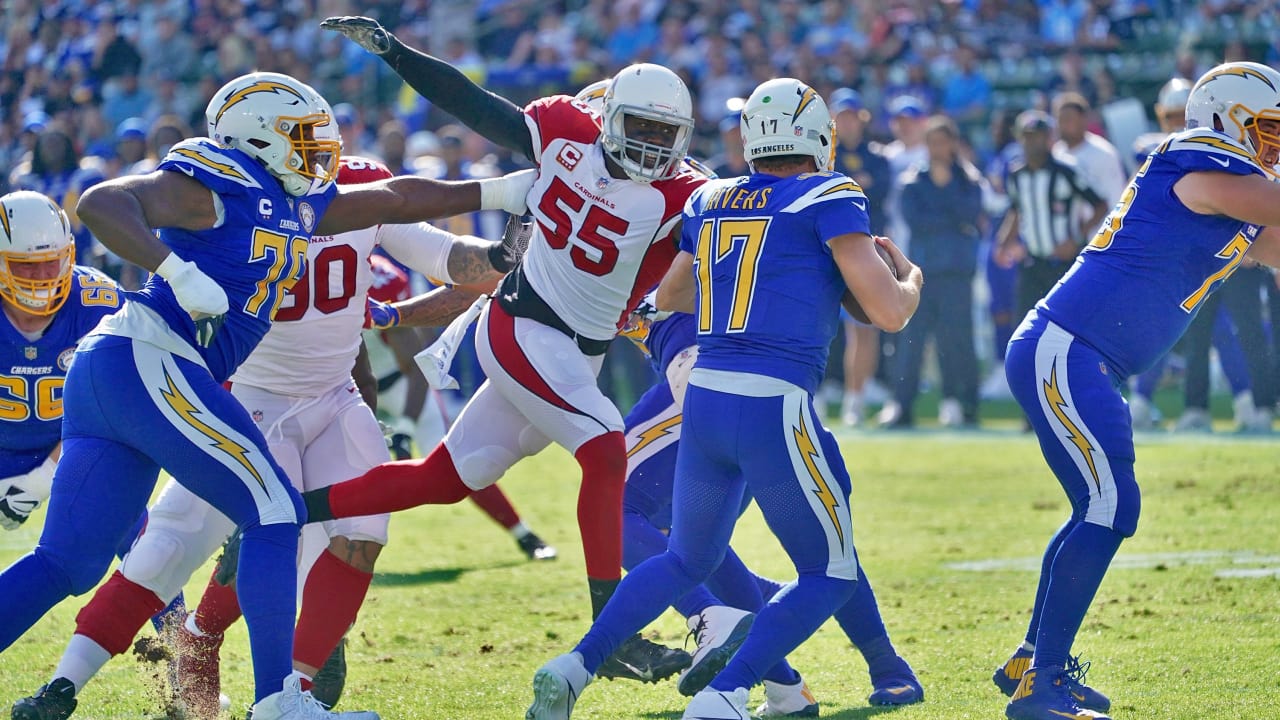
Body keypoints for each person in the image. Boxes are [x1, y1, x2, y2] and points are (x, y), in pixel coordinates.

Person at [0, 71, 535, 720]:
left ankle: (250, 690)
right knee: (275, 512)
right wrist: (174, 272)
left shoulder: (297, 203)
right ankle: (281, 702)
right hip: (153, 360)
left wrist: (500, 190)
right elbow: (103, 202)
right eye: (303, 139)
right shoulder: (216, 182)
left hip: (115, 378)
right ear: (256, 139)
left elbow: (392, 199)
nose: (320, 152)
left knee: (67, 563)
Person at [308, 16, 707, 681]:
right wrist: (393, 51)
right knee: (607, 448)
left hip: (574, 355)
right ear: (609, 117)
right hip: (521, 326)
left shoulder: (685, 193)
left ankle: (283, 507)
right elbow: (471, 102)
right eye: (639, 127)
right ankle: (613, 638)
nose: (650, 145)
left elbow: (732, 223)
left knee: (438, 480)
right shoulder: (564, 133)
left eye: (664, 135)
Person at [525, 77, 923, 720]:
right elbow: (888, 311)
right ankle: (728, 692)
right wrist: (910, 278)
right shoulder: (832, 193)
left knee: (687, 556)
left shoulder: (710, 199)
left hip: (706, 396)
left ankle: (575, 666)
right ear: (817, 138)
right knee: (830, 571)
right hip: (773, 401)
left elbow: (675, 296)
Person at [992, 61, 1280, 720]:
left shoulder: (1225, 190)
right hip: (1069, 350)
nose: (1273, 143)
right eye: (1265, 128)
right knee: (1109, 504)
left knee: (1098, 505)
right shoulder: (1198, 164)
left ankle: (1032, 663)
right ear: (1228, 120)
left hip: (1079, 356)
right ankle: (1044, 689)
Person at [618, 301, 922, 715]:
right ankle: (809, 674)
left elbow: (673, 283)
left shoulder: (667, 241)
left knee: (619, 515)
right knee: (706, 541)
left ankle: (726, 628)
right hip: (747, 384)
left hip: (711, 382)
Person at [889, 116, 985, 428]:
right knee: (912, 342)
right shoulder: (912, 180)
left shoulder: (968, 179)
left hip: (957, 271)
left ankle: (966, 406)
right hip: (922, 272)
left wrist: (945, 196)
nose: (938, 148)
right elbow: (917, 221)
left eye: (943, 141)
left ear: (953, 144)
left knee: (959, 342)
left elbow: (971, 214)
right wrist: (952, 217)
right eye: (933, 142)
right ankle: (902, 407)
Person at [995, 111, 1109, 324]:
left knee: (1069, 323)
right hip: (1033, 261)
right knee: (1025, 324)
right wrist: (1003, 242)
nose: (1032, 142)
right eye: (1027, 136)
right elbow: (1016, 211)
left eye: (1037, 136)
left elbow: (1100, 205)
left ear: (1049, 138)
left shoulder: (1067, 171)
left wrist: (1076, 239)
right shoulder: (1016, 175)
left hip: (1064, 263)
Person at [829, 88, 893, 427]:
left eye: (853, 116)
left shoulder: (877, 157)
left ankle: (855, 398)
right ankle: (819, 394)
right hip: (828, 252)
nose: (848, 123)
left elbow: (878, 191)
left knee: (863, 329)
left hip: (866, 251)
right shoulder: (823, 157)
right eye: (842, 116)